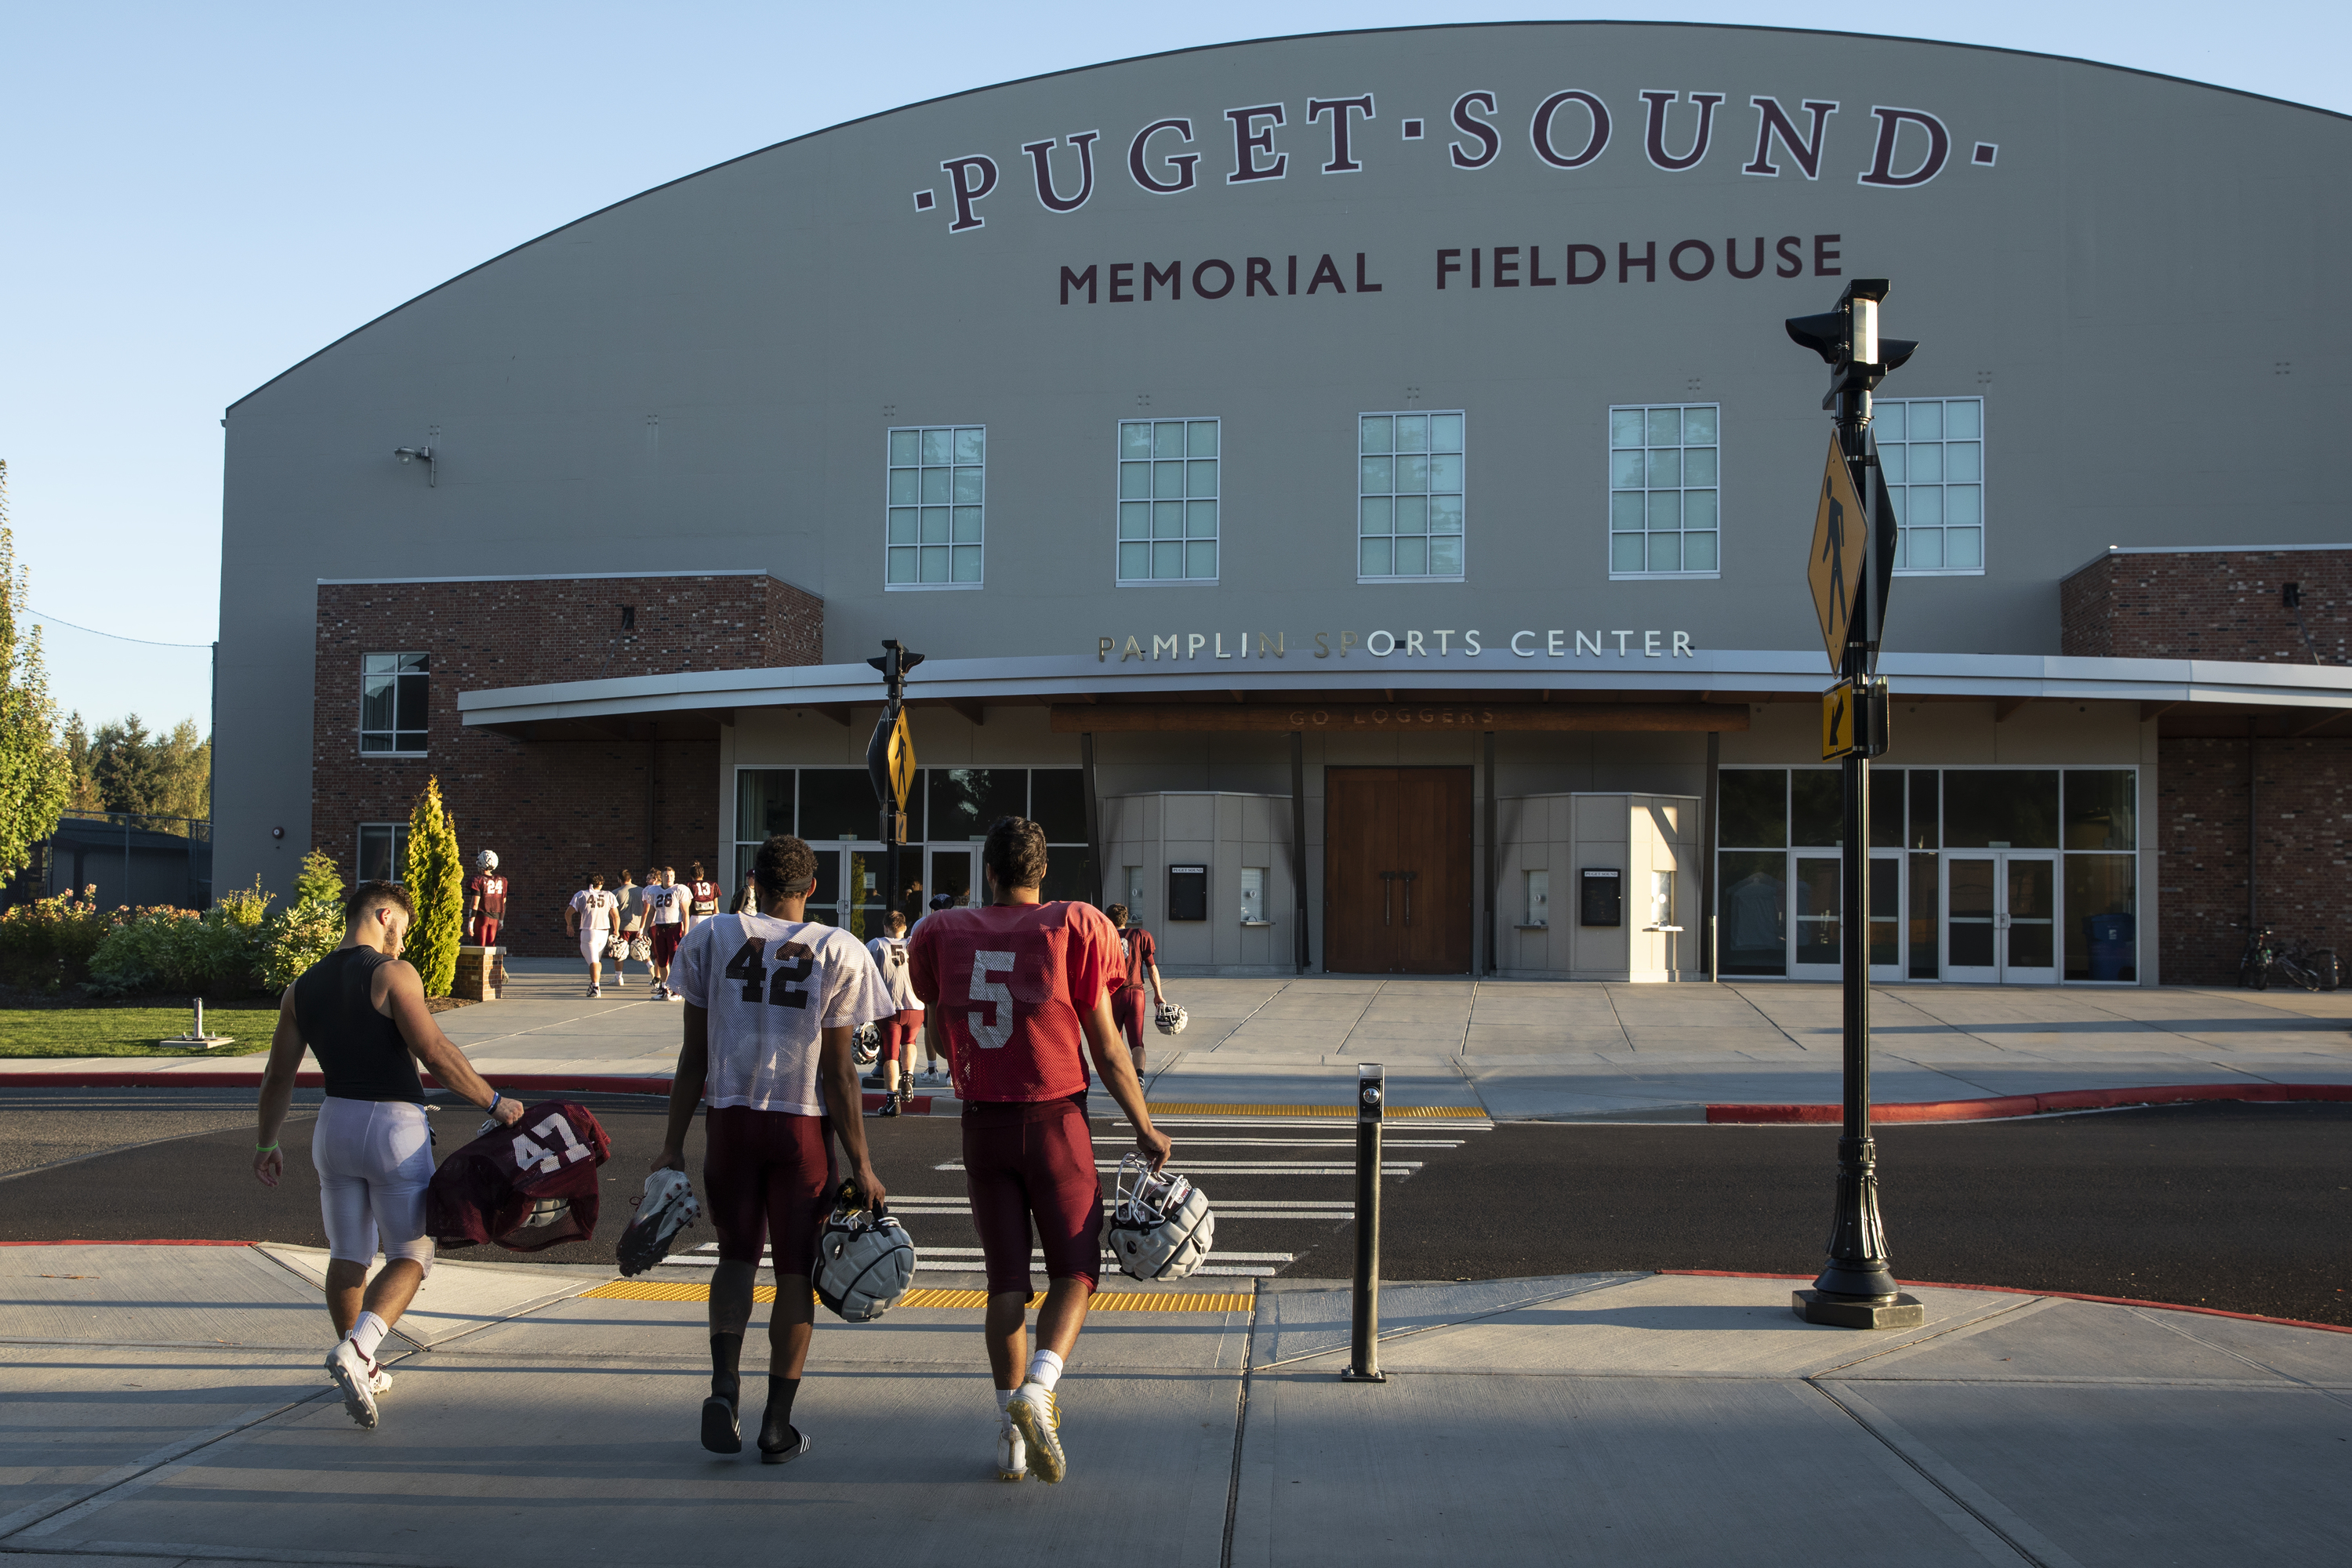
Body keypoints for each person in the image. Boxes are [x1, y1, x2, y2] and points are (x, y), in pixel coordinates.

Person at [907, 816, 1171, 1485]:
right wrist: (1144, 1125)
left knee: (1005, 1283)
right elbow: (1108, 1047)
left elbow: (938, 1042)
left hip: (982, 1125)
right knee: (1077, 1270)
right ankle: (1039, 1389)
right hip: (1055, 1118)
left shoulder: (941, 932)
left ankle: (1008, 1439)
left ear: (988, 872)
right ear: (1042, 872)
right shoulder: (1077, 924)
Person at [653, 835, 894, 1466]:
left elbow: (691, 1057)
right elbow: (841, 1075)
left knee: (736, 1258)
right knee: (794, 1273)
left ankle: (723, 1387)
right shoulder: (836, 949)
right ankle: (777, 1426)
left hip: (730, 1119)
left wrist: (671, 1146)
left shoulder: (710, 937)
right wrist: (863, 1163)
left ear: (751, 879)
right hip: (801, 1126)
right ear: (812, 888)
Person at [252, 880, 523, 1430]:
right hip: (393, 1126)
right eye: (401, 926)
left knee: (348, 1253)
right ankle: (359, 1351)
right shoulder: (392, 974)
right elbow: (435, 1051)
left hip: (333, 1125)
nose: (402, 941)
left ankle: (362, 1364)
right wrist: (495, 1103)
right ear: (383, 915)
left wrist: (267, 1142)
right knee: (412, 1254)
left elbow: (279, 1074)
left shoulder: (300, 988)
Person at [863, 909, 923, 1115]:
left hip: (890, 1007)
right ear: (904, 928)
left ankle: (892, 1100)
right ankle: (908, 1076)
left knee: (890, 1054)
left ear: (886, 927)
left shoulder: (876, 944)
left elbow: (865, 973)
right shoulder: (913, 944)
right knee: (910, 1042)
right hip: (915, 1005)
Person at [1102, 903, 1169, 1076]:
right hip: (1135, 994)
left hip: (1110, 996)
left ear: (1108, 918)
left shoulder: (1103, 936)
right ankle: (1139, 1077)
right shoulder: (1141, 935)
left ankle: (1120, 1083)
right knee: (1137, 1043)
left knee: (1113, 1044)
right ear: (1126, 919)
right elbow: (1152, 967)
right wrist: (1158, 994)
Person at [567, 873, 622, 997]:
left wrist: (569, 925)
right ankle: (594, 984)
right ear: (601, 884)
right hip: (604, 932)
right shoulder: (609, 895)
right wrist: (616, 931)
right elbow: (616, 916)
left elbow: (568, 913)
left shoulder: (581, 895)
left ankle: (596, 987)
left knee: (593, 962)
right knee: (596, 961)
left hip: (589, 931)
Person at [644, 866, 688, 1000]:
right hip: (659, 927)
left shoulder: (679, 889)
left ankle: (677, 990)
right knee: (661, 960)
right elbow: (651, 912)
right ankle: (665, 988)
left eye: (671, 876)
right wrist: (645, 929)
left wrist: (686, 931)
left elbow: (685, 912)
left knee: (675, 960)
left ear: (674, 877)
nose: (668, 878)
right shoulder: (654, 890)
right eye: (666, 875)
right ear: (661, 877)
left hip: (674, 926)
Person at [465, 850, 507, 949]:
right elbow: (503, 903)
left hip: (481, 918)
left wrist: (471, 922)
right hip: (495, 918)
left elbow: (475, 904)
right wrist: (501, 920)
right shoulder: (501, 881)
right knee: (491, 949)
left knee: (480, 950)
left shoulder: (478, 880)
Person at [612, 870, 645, 987]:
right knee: (643, 952)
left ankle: (618, 977)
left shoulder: (615, 893)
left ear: (619, 879)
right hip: (638, 926)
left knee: (619, 952)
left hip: (623, 926)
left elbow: (612, 913)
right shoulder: (642, 891)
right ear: (630, 878)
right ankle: (652, 972)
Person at [684, 862, 723, 932]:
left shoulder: (689, 885)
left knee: (694, 941)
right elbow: (716, 907)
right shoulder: (713, 885)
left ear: (691, 875)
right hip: (710, 917)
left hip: (696, 917)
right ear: (702, 875)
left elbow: (686, 907)